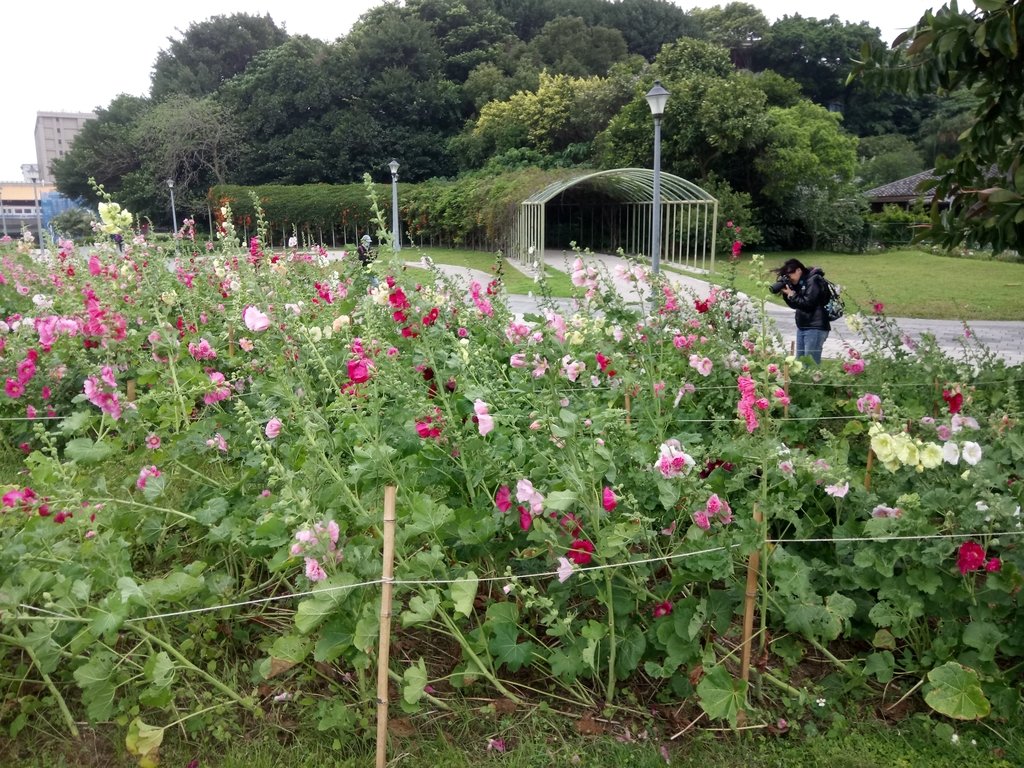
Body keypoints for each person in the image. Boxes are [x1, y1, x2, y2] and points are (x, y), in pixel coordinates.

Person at [774, 258, 830, 364]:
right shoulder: (801, 283)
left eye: (790, 274)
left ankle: (813, 381)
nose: (789, 278)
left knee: (810, 364)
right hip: (803, 326)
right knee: (800, 363)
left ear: (799, 270)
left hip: (815, 327)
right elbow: (796, 305)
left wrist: (793, 295)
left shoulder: (813, 280)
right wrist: (787, 294)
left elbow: (809, 304)